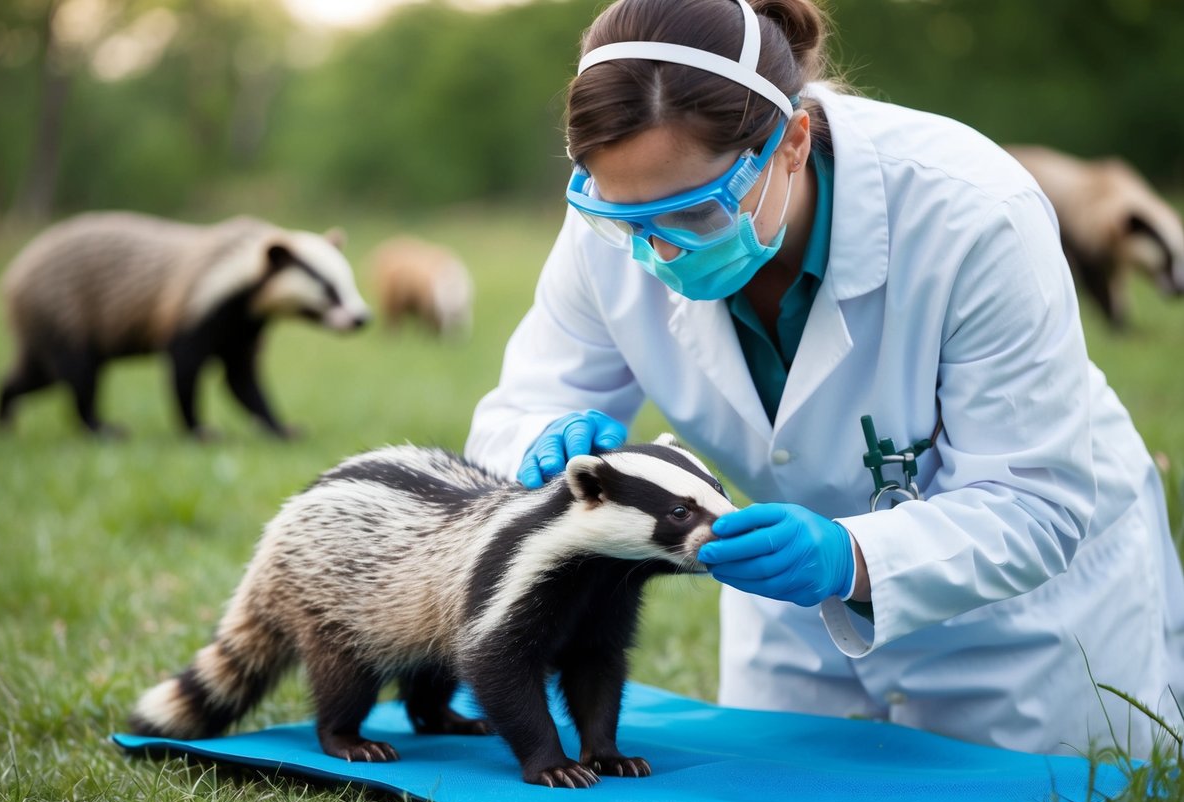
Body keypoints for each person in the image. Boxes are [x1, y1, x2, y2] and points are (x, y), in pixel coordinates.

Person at [464, 0, 1184, 758]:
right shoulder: (616, 217)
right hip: (791, 626)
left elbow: (1032, 501)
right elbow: (525, 402)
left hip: (1021, 636)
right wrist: (537, 437)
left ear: (793, 144)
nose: (660, 253)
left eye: (698, 215)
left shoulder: (973, 213)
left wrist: (852, 558)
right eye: (626, 221)